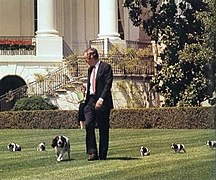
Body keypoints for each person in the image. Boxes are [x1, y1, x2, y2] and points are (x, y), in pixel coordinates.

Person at [83, 47, 113, 161]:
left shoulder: (106, 67)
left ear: (92, 56)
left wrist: (101, 98)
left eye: (86, 58)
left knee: (103, 128)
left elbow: (107, 84)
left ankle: (103, 154)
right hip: (90, 100)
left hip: (102, 101)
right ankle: (92, 152)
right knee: (88, 124)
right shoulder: (90, 69)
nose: (85, 61)